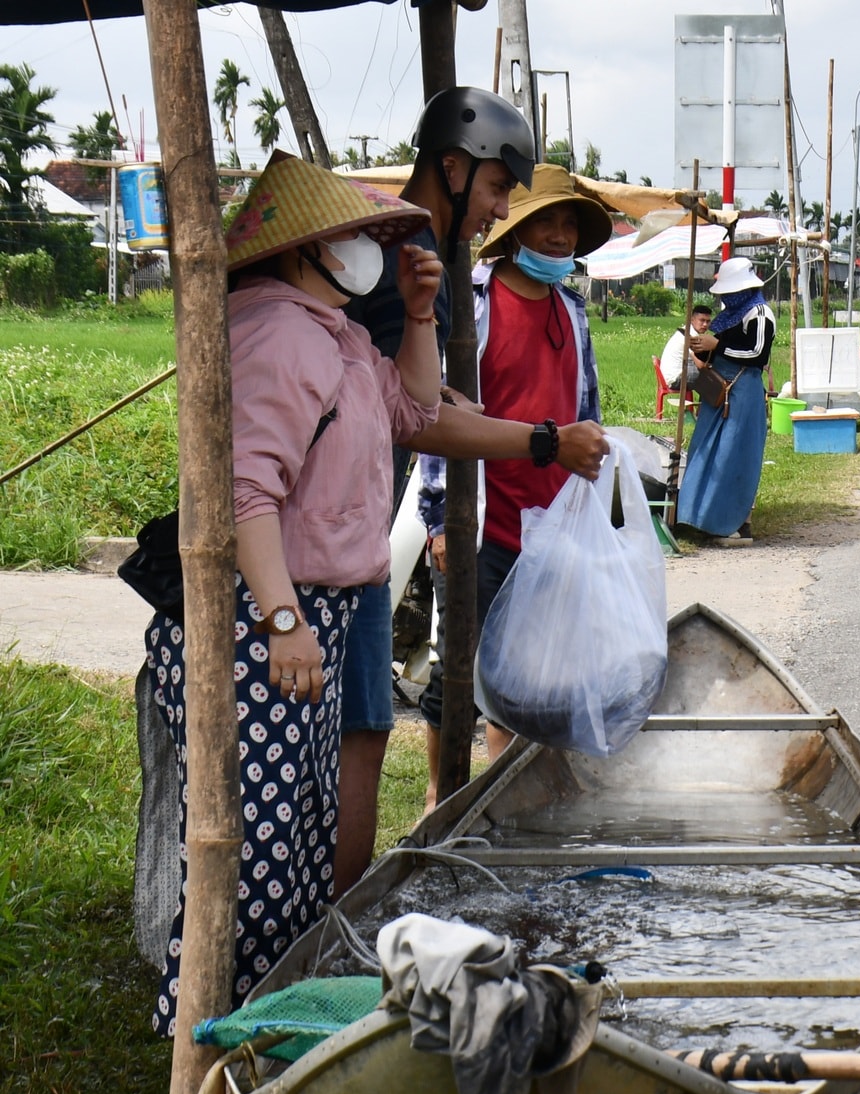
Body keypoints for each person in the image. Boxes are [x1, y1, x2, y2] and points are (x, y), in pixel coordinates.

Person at [145, 152, 603, 1036]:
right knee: (262, 849)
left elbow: (414, 409)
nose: (372, 251)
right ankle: (206, 1029)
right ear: (307, 251)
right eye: (354, 237)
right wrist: (282, 620)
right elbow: (245, 493)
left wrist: (422, 314)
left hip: (311, 610)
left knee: (298, 838)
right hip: (263, 618)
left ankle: (260, 1024)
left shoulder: (339, 331)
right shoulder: (278, 333)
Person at [334, 87, 604, 875]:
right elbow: (424, 418)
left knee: (369, 720)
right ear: (452, 169)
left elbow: (421, 399)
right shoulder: (406, 257)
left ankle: (345, 905)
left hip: (380, 531)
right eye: (494, 190)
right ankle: (350, 896)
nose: (499, 208)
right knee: (450, 686)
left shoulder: (432, 265)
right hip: (382, 521)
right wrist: (542, 443)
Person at [417, 162, 615, 794]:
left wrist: (592, 508)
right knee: (459, 677)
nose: (559, 237)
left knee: (530, 678)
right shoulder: (472, 300)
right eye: (545, 223)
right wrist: (437, 518)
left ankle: (507, 804)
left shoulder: (572, 311)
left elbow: (587, 413)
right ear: (514, 230)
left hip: (552, 529)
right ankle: (439, 801)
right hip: (482, 526)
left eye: (568, 227)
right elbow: (434, 412)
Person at [676, 256, 775, 544]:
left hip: (742, 394)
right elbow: (717, 353)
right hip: (719, 393)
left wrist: (717, 344)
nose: (727, 298)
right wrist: (702, 348)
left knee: (734, 455)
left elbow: (757, 355)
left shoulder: (759, 314)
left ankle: (736, 524)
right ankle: (701, 516)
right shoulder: (730, 315)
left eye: (731, 293)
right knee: (706, 452)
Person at [658, 304, 713, 392]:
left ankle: (705, 404)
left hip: (671, 376)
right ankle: (708, 405)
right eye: (702, 320)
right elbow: (700, 364)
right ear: (692, 320)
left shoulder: (686, 331)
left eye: (708, 321)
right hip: (675, 379)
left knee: (709, 379)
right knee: (713, 380)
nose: (705, 324)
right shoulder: (690, 336)